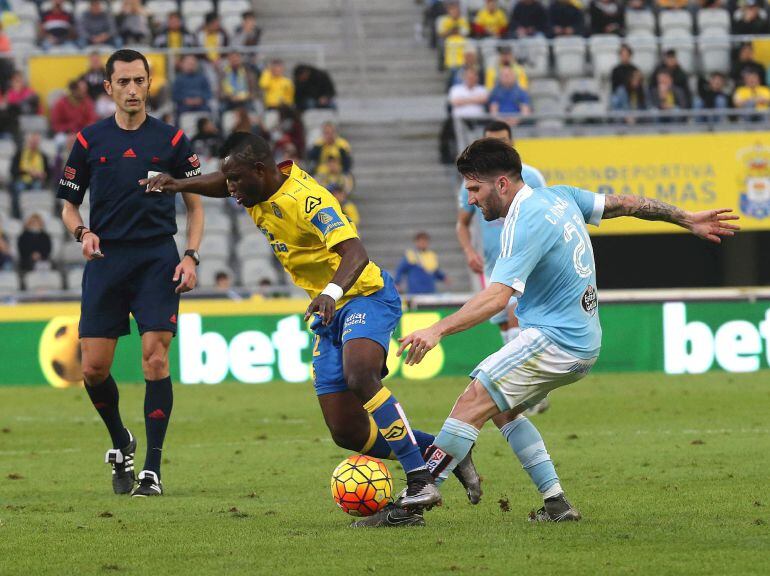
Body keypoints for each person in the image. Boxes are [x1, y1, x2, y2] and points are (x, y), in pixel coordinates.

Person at [391, 138, 738, 525]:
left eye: (475, 189)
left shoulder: (524, 222)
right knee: (502, 411)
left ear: (501, 184)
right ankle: (556, 503)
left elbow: (497, 297)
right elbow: (626, 204)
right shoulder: (559, 196)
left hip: (554, 339)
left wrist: (437, 329)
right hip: (582, 340)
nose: (471, 200)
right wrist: (685, 218)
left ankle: (417, 495)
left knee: (472, 399)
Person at [142, 132, 484, 527]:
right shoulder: (253, 189)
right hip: (327, 314)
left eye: (236, 180)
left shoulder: (309, 200)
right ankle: (446, 452)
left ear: (259, 171)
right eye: (229, 181)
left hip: (363, 295)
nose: (231, 189)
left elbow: (355, 252)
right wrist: (177, 183)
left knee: (361, 375)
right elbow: (222, 181)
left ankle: (421, 480)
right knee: (347, 431)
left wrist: (332, 292)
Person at [57, 49, 204, 498]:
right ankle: (122, 441)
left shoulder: (173, 140)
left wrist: (191, 256)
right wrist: (82, 232)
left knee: (155, 359)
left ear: (149, 83)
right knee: (93, 369)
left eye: (139, 81)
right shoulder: (89, 141)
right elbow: (67, 205)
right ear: (109, 88)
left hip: (158, 259)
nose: (133, 89)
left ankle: (152, 470)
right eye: (123, 82)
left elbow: (196, 206)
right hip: (106, 260)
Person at [456, 121, 548, 418]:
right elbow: (462, 223)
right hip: (493, 265)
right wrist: (469, 250)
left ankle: (525, 391)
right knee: (506, 326)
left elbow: (546, 213)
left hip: (523, 261)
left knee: (515, 317)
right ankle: (525, 391)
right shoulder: (472, 181)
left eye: (504, 141)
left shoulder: (531, 176)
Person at [11, 132, 49, 216]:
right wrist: (28, 171)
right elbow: (13, 170)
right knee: (20, 188)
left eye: (36, 142)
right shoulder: (19, 154)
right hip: (21, 179)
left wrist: (42, 175)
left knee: (37, 188)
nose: (34, 144)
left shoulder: (43, 156)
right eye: (32, 142)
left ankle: (35, 214)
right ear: (27, 142)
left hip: (37, 181)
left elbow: (48, 173)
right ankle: (18, 215)